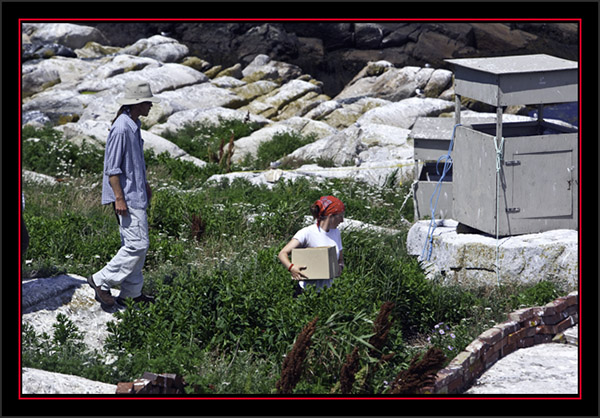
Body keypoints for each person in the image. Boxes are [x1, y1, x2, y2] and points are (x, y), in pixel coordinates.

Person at [88, 81, 160, 310]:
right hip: (127, 197)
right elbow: (112, 168)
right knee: (137, 245)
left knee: (136, 243)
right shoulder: (121, 128)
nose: (151, 106)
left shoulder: (133, 123)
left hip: (135, 194)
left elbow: (134, 163)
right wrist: (119, 198)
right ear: (138, 103)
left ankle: (131, 293)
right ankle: (101, 280)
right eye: (148, 102)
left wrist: (145, 184)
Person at [278, 196, 345, 295]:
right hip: (306, 291)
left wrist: (340, 267)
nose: (342, 220)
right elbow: (282, 253)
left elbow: (340, 259)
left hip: (328, 291)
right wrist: (291, 268)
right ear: (331, 216)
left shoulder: (336, 233)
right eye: (340, 216)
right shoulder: (307, 233)